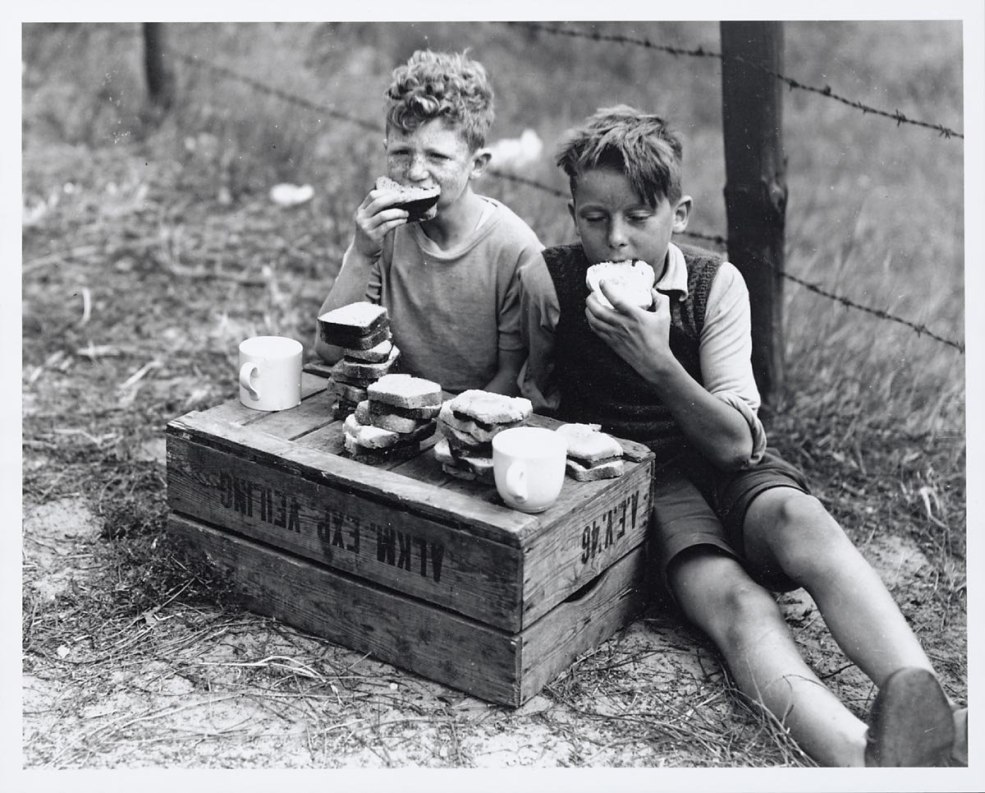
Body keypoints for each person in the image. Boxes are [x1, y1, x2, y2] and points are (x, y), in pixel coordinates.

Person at [518, 105, 967, 767]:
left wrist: (657, 359)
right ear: (572, 212)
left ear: (681, 213)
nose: (616, 239)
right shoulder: (548, 282)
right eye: (595, 217)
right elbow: (538, 410)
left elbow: (734, 444)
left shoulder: (714, 285)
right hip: (641, 484)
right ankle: (859, 758)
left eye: (639, 217)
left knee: (800, 518)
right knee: (735, 601)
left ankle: (935, 719)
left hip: (721, 458)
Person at [314, 49, 543, 395]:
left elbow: (512, 377)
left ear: (477, 164)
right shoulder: (385, 231)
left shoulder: (514, 249)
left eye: (437, 156)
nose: (416, 172)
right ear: (386, 148)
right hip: (388, 404)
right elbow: (330, 350)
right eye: (402, 153)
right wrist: (361, 255)